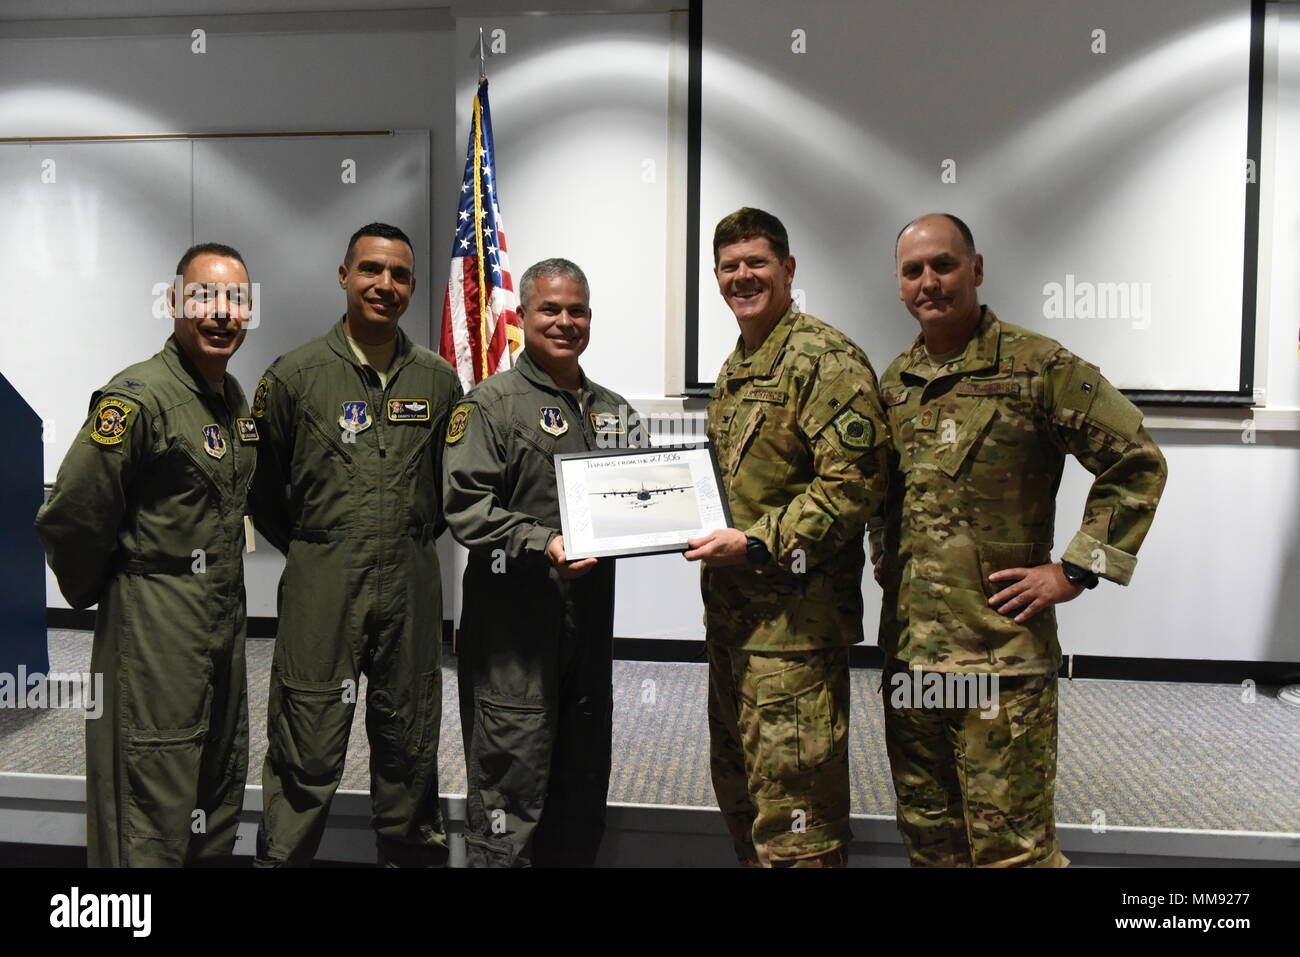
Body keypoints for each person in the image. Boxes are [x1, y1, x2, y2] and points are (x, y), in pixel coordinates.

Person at [874, 213, 1168, 867]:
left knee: (1013, 851)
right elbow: (883, 505)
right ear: (899, 286)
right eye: (913, 270)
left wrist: (1075, 569)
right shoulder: (893, 386)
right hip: (913, 667)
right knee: (932, 843)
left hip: (1000, 667)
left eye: (944, 265)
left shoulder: (1042, 367)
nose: (930, 281)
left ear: (975, 269)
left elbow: (1137, 460)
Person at [36, 242, 258, 867]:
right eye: (205, 297)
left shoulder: (232, 399)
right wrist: (114, 589)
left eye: (236, 299)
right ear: (173, 304)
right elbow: (72, 514)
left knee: (215, 777)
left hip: (220, 618)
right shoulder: (135, 400)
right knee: (150, 792)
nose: (221, 313)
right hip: (155, 624)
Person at [250, 222, 462, 867]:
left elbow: (449, 490)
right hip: (322, 578)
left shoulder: (438, 381)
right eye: (371, 270)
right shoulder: (294, 377)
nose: (385, 285)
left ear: (413, 286)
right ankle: (283, 857)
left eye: (399, 274)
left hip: (410, 577)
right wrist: (323, 548)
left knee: (409, 732)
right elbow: (263, 491)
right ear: (344, 276)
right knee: (305, 737)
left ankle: (408, 853)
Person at [684, 208, 890, 867]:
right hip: (735, 626)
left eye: (757, 262)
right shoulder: (738, 366)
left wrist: (758, 544)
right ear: (716, 276)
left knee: (799, 827)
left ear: (789, 269)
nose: (742, 276)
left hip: (795, 636)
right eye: (729, 265)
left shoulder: (824, 360)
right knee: (742, 798)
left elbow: (853, 482)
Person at [443, 258, 638, 867]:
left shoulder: (613, 410)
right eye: (549, 309)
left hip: (588, 634)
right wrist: (540, 543)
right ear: (522, 317)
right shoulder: (489, 406)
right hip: (515, 637)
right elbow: (465, 507)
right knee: (511, 782)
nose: (564, 321)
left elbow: (641, 495)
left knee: (581, 785)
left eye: (576, 310)